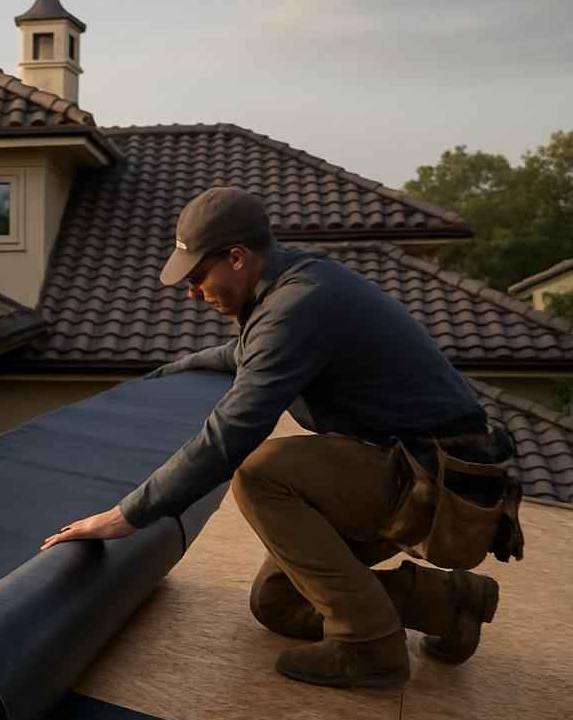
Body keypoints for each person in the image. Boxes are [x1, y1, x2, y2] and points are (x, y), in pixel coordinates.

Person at [39, 186, 505, 688]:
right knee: (277, 603)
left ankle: (369, 647)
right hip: (411, 467)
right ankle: (451, 603)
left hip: (439, 481)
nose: (193, 293)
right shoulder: (290, 285)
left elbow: (229, 435)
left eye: (198, 277)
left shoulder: (299, 306)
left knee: (259, 472)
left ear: (237, 258)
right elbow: (242, 353)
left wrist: (124, 517)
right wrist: (165, 374)